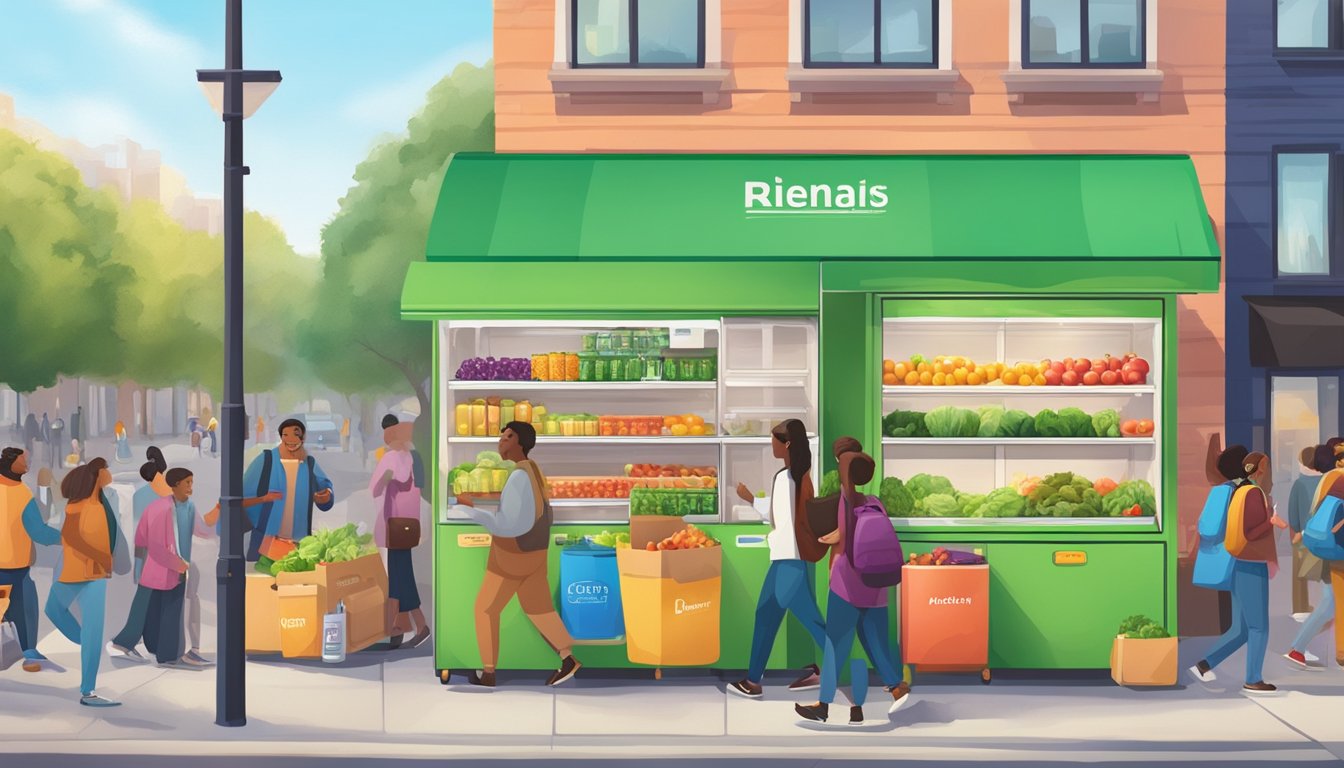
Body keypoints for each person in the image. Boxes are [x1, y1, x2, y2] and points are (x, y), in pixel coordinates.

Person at [452, 422, 580, 688]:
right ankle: (568, 658)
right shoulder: (533, 470)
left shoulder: (518, 477)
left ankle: (487, 673)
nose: (501, 441)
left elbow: (507, 525)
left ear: (520, 443)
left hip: (512, 556)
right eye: (502, 436)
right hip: (536, 553)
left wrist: (471, 510)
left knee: (485, 609)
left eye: (508, 437)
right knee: (539, 609)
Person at [796, 451, 910, 725]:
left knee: (836, 645)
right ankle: (898, 689)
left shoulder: (843, 502)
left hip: (847, 585)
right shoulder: (876, 503)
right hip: (876, 586)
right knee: (879, 642)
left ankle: (822, 706)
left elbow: (838, 538)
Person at [729, 419, 829, 699]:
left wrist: (749, 498)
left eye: (774, 440)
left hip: (788, 561)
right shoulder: (801, 477)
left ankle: (843, 671)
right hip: (787, 560)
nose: (771, 444)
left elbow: (780, 520)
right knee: (766, 617)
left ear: (786, 444)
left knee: (813, 623)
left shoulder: (786, 478)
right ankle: (752, 681)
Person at [1188, 447, 1287, 694]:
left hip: (1235, 563)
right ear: (1261, 470)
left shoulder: (1234, 491)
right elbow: (1250, 532)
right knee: (1259, 627)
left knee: (1242, 628)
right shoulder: (1252, 493)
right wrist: (1272, 522)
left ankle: (1203, 664)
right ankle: (1253, 678)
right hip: (1250, 564)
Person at [45, 457, 121, 707]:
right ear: (98, 474)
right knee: (53, 610)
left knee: (93, 630)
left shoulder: (101, 502)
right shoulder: (77, 504)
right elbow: (71, 535)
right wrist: (101, 555)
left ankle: (88, 691)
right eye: (106, 469)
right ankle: (84, 640)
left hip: (96, 576)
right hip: (75, 572)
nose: (109, 473)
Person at [369, 414, 429, 650]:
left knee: (398, 576)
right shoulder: (415, 457)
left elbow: (376, 489)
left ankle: (399, 626)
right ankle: (403, 626)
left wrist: (385, 478)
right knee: (401, 574)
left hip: (394, 522)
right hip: (409, 523)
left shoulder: (393, 457)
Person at [0, 447, 62, 672]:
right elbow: (39, 532)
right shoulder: (23, 494)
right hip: (16, 568)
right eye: (23, 460)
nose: (27, 463)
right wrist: (68, 538)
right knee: (25, 609)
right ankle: (29, 654)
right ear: (12, 464)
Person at [242, 419, 335, 567]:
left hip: (299, 544)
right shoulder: (266, 460)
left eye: (296, 435)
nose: (291, 439)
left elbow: (325, 486)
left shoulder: (309, 463)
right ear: (281, 437)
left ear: (303, 438)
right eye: (286, 435)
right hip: (267, 543)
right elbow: (243, 495)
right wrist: (263, 500)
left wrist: (326, 495)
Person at [107, 448, 171, 662]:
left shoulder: (144, 495)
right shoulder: (163, 496)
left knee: (151, 600)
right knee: (145, 600)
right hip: (155, 556)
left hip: (147, 555)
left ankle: (152, 642)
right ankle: (123, 642)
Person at [1283, 443, 1336, 670]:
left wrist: (1296, 535)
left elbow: (1294, 519)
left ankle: (1299, 647)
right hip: (1332, 548)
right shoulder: (1333, 484)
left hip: (1313, 543)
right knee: (1330, 602)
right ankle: (1298, 647)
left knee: (1331, 602)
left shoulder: (1302, 484)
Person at [137, 469, 192, 667]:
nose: (191, 487)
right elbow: (156, 546)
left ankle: (155, 648)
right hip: (171, 570)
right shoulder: (167, 509)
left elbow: (140, 538)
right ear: (175, 484)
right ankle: (168, 655)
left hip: (153, 572)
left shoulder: (156, 507)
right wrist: (179, 564)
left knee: (155, 610)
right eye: (187, 483)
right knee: (171, 611)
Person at [1306, 438, 1344, 669]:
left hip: (1334, 548)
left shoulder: (1328, 479)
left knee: (1339, 601)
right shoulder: (1340, 479)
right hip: (1341, 545)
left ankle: (1341, 651)